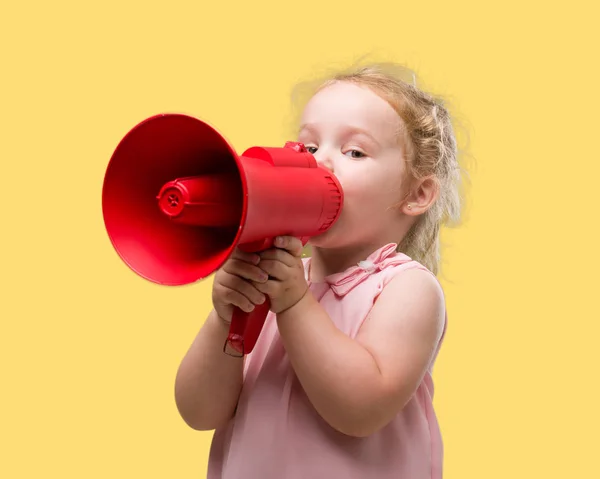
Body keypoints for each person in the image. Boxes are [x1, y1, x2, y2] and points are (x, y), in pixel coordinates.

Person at [174, 62, 467, 478]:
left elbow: (359, 411)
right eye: (308, 148)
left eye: (354, 152)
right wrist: (225, 318)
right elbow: (200, 411)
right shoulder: (280, 278)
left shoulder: (405, 288)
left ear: (416, 194)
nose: (320, 163)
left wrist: (294, 303)